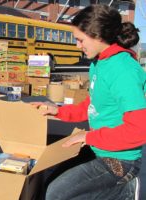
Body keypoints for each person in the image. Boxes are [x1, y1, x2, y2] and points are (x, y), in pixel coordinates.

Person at [32, 4, 146, 200]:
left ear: (99, 36)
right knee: (48, 180)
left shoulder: (123, 71)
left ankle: (125, 192)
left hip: (119, 160)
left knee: (56, 194)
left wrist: (88, 137)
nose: (77, 46)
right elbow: (91, 106)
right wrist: (58, 111)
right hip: (98, 148)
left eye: (80, 40)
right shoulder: (98, 63)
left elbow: (139, 130)